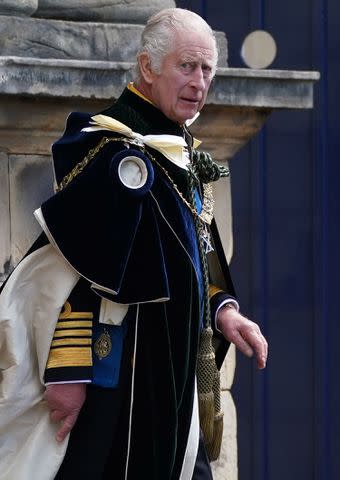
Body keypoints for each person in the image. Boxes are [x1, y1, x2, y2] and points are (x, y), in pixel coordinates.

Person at [0, 7, 268, 480]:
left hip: (175, 371)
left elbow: (193, 252)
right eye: (187, 66)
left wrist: (223, 309)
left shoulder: (180, 152)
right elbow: (74, 268)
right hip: (118, 378)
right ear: (148, 68)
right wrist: (67, 371)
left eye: (207, 69)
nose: (199, 82)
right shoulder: (114, 148)